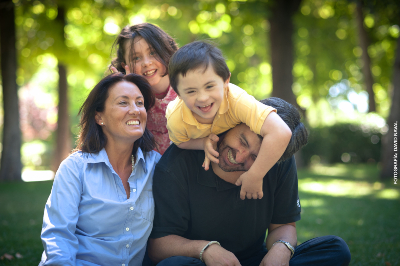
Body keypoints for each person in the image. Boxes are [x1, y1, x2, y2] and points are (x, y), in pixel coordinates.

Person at [148, 97, 351, 266]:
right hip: (203, 261)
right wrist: (205, 249)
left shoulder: (279, 163)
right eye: (243, 141)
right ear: (236, 120)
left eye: (255, 158)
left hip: (256, 261)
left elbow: (283, 225)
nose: (240, 156)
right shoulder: (178, 162)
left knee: (335, 249)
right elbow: (158, 247)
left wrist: (282, 248)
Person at [39, 73, 161, 266]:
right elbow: (58, 237)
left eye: (140, 102)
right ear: (99, 117)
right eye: (123, 103)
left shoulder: (155, 166)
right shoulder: (75, 168)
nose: (135, 110)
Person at [166, 41, 292, 200]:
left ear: (226, 81)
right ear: (178, 93)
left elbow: (281, 132)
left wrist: (255, 175)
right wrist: (203, 142)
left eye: (209, 86)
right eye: (191, 91)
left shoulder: (237, 100)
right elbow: (181, 142)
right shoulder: (176, 119)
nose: (203, 98)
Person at [110, 23, 179, 155]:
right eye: (136, 58)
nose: (146, 63)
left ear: (166, 50)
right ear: (125, 65)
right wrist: (124, 90)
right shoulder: (129, 100)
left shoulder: (187, 86)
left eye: (153, 53)